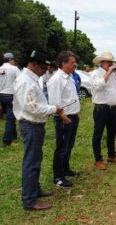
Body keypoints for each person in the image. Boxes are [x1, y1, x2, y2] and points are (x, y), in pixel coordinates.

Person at [13, 50, 67, 210]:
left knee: (35, 160)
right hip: (30, 125)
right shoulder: (26, 81)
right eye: (43, 67)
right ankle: (29, 200)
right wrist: (53, 108)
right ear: (33, 64)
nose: (44, 71)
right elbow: (31, 107)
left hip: (34, 125)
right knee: (31, 162)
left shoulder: (31, 79)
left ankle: (34, 190)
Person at [47, 51, 80, 187]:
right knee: (61, 147)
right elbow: (54, 101)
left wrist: (76, 112)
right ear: (63, 63)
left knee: (69, 145)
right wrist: (63, 116)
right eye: (72, 62)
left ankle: (65, 169)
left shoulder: (70, 77)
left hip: (72, 115)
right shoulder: (56, 79)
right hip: (64, 118)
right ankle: (58, 177)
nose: (75, 64)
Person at [90, 53, 116, 170]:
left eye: (112, 62)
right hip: (101, 108)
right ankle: (98, 159)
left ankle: (111, 155)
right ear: (102, 62)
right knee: (98, 134)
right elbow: (98, 86)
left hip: (113, 108)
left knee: (112, 133)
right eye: (109, 62)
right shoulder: (94, 74)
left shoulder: (113, 75)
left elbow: (112, 88)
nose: (111, 64)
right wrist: (108, 73)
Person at [0, 52, 21, 146]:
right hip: (10, 95)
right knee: (10, 118)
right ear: (10, 60)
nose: (14, 62)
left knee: (10, 117)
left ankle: (14, 135)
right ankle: (7, 141)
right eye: (13, 60)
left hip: (1, 94)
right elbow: (21, 81)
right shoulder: (14, 68)